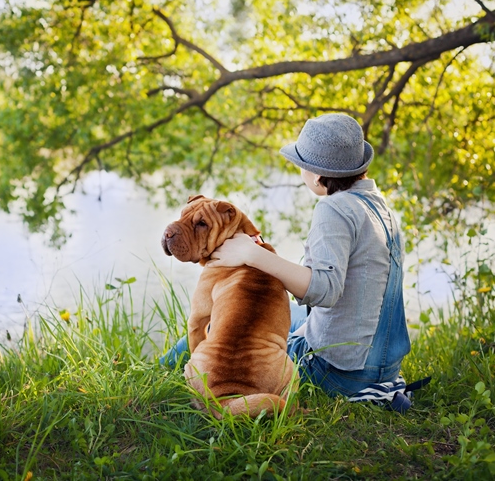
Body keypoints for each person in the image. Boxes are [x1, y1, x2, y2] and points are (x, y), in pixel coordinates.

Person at [162, 113, 425, 411]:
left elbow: (325, 291)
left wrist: (252, 255)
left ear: (316, 174)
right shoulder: (378, 205)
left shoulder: (334, 210)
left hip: (340, 371)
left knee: (214, 326)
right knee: (270, 313)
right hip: (381, 365)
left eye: (301, 164)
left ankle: (161, 372)